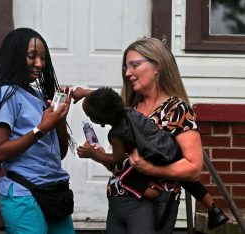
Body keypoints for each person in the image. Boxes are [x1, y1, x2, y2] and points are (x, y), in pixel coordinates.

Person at [72, 37, 228, 233]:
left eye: (134, 65)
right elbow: (119, 163)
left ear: (157, 67)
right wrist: (100, 154)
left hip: (152, 205)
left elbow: (193, 168)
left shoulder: (177, 110)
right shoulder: (129, 108)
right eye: (125, 67)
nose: (128, 73)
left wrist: (150, 169)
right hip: (119, 202)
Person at [79, 86, 229, 229]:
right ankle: (214, 209)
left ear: (100, 121)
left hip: (155, 158)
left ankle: (155, 196)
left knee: (126, 176)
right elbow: (108, 98)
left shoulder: (116, 135)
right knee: (188, 181)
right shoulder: (129, 110)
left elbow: (116, 160)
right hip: (170, 146)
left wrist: (94, 154)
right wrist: (85, 92)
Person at [0, 28, 75, 234]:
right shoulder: (5, 94)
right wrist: (41, 128)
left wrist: (59, 121)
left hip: (54, 191)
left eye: (43, 58)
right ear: (15, 56)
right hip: (25, 194)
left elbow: (60, 153)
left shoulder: (40, 96)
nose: (40, 64)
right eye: (32, 56)